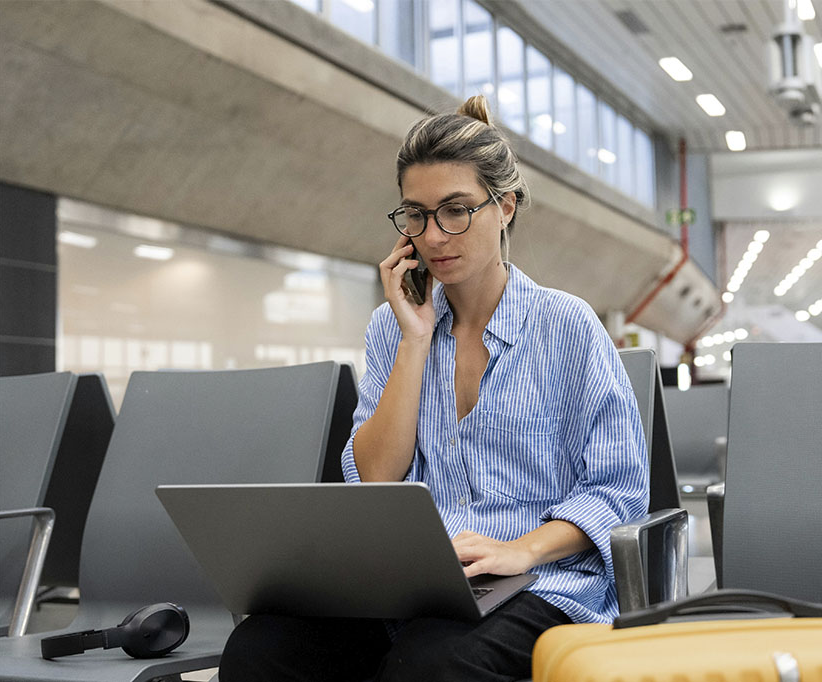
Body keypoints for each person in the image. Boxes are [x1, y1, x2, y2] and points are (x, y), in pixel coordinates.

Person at [219, 95, 649, 682]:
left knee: (433, 664)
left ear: (505, 207)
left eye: (455, 211)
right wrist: (415, 340)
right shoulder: (393, 328)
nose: (434, 236)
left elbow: (615, 491)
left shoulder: (565, 325)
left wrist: (520, 549)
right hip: (412, 587)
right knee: (260, 647)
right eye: (415, 215)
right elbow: (375, 478)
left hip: (541, 583)